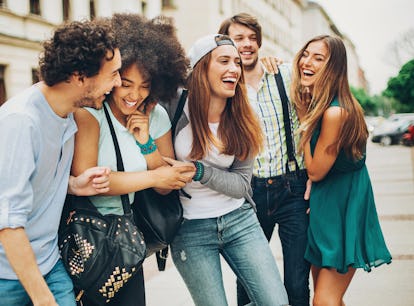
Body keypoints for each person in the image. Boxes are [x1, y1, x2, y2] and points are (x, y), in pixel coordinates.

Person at [70, 13, 195, 306]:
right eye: (126, 83)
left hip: (127, 240)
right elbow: (91, 180)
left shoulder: (157, 115)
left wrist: (146, 142)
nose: (134, 94)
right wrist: (154, 176)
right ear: (112, 77)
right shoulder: (90, 113)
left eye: (144, 85)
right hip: (85, 236)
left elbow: (166, 187)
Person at [0, 19, 121, 306]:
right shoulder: (21, 122)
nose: (117, 83)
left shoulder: (66, 114)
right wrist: (43, 299)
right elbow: (6, 222)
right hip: (8, 276)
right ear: (80, 76)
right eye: (113, 74)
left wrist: (72, 186)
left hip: (49, 262)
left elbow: (28, 183)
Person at [164, 33, 289, 306]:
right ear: (201, 68)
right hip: (189, 229)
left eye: (236, 62)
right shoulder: (173, 105)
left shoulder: (245, 114)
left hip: (239, 220)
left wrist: (198, 171)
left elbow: (242, 185)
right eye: (223, 61)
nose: (234, 68)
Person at [290, 34, 392, 306]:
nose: (306, 62)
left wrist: (303, 121)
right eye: (306, 54)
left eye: (318, 58)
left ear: (333, 68)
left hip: (343, 210)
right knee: (328, 298)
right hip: (327, 209)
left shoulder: (335, 112)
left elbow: (315, 171)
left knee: (324, 300)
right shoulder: (323, 104)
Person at [218, 13, 310, 306]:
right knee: (249, 280)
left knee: (296, 282)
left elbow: (310, 120)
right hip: (249, 192)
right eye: (237, 39)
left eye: (251, 38)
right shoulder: (224, 85)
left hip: (292, 189)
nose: (246, 45)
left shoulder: (284, 75)